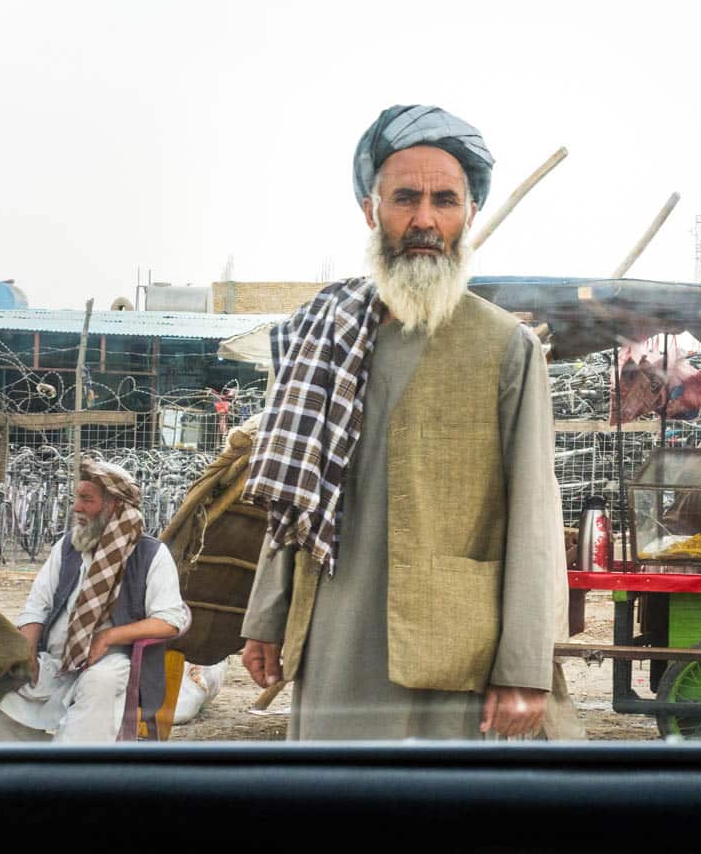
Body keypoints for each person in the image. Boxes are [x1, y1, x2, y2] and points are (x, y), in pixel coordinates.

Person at [238, 103, 563, 741]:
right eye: (404, 198)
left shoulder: (505, 347)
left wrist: (525, 666)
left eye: (445, 201)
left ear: (469, 215)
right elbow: (291, 495)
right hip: (332, 627)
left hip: (453, 649)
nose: (424, 219)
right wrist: (267, 615)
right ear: (371, 210)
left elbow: (534, 513)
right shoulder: (321, 334)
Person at [0, 459, 191, 743]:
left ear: (114, 506)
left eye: (87, 499)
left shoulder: (151, 555)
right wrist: (26, 651)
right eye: (77, 498)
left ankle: (74, 775)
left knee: (100, 682)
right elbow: (37, 606)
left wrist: (109, 636)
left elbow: (170, 620)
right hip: (58, 660)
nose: (76, 508)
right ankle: (31, 763)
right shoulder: (67, 547)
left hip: (113, 661)